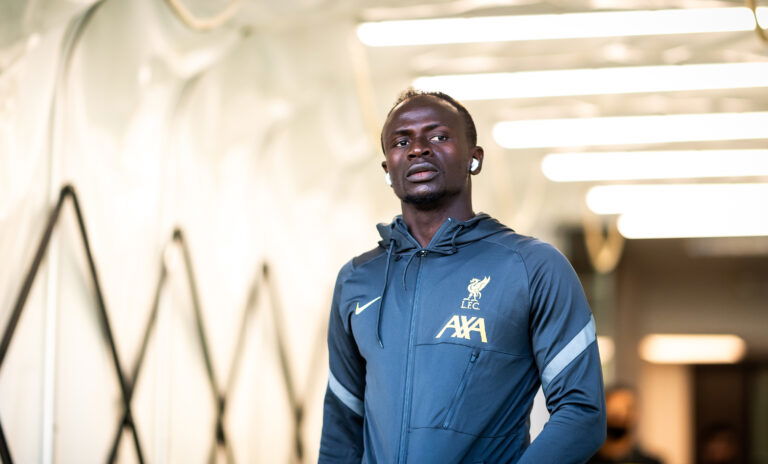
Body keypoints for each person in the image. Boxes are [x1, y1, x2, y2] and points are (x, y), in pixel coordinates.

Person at [319, 89, 606, 463]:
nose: (418, 148)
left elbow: (582, 412)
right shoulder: (359, 279)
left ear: (475, 157)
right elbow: (342, 423)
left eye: (438, 136)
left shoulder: (531, 266)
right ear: (388, 169)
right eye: (401, 140)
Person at [588, 386, 663, 464]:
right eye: (614, 410)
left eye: (628, 408)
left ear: (636, 414)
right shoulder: (584, 460)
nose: (620, 415)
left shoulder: (651, 462)